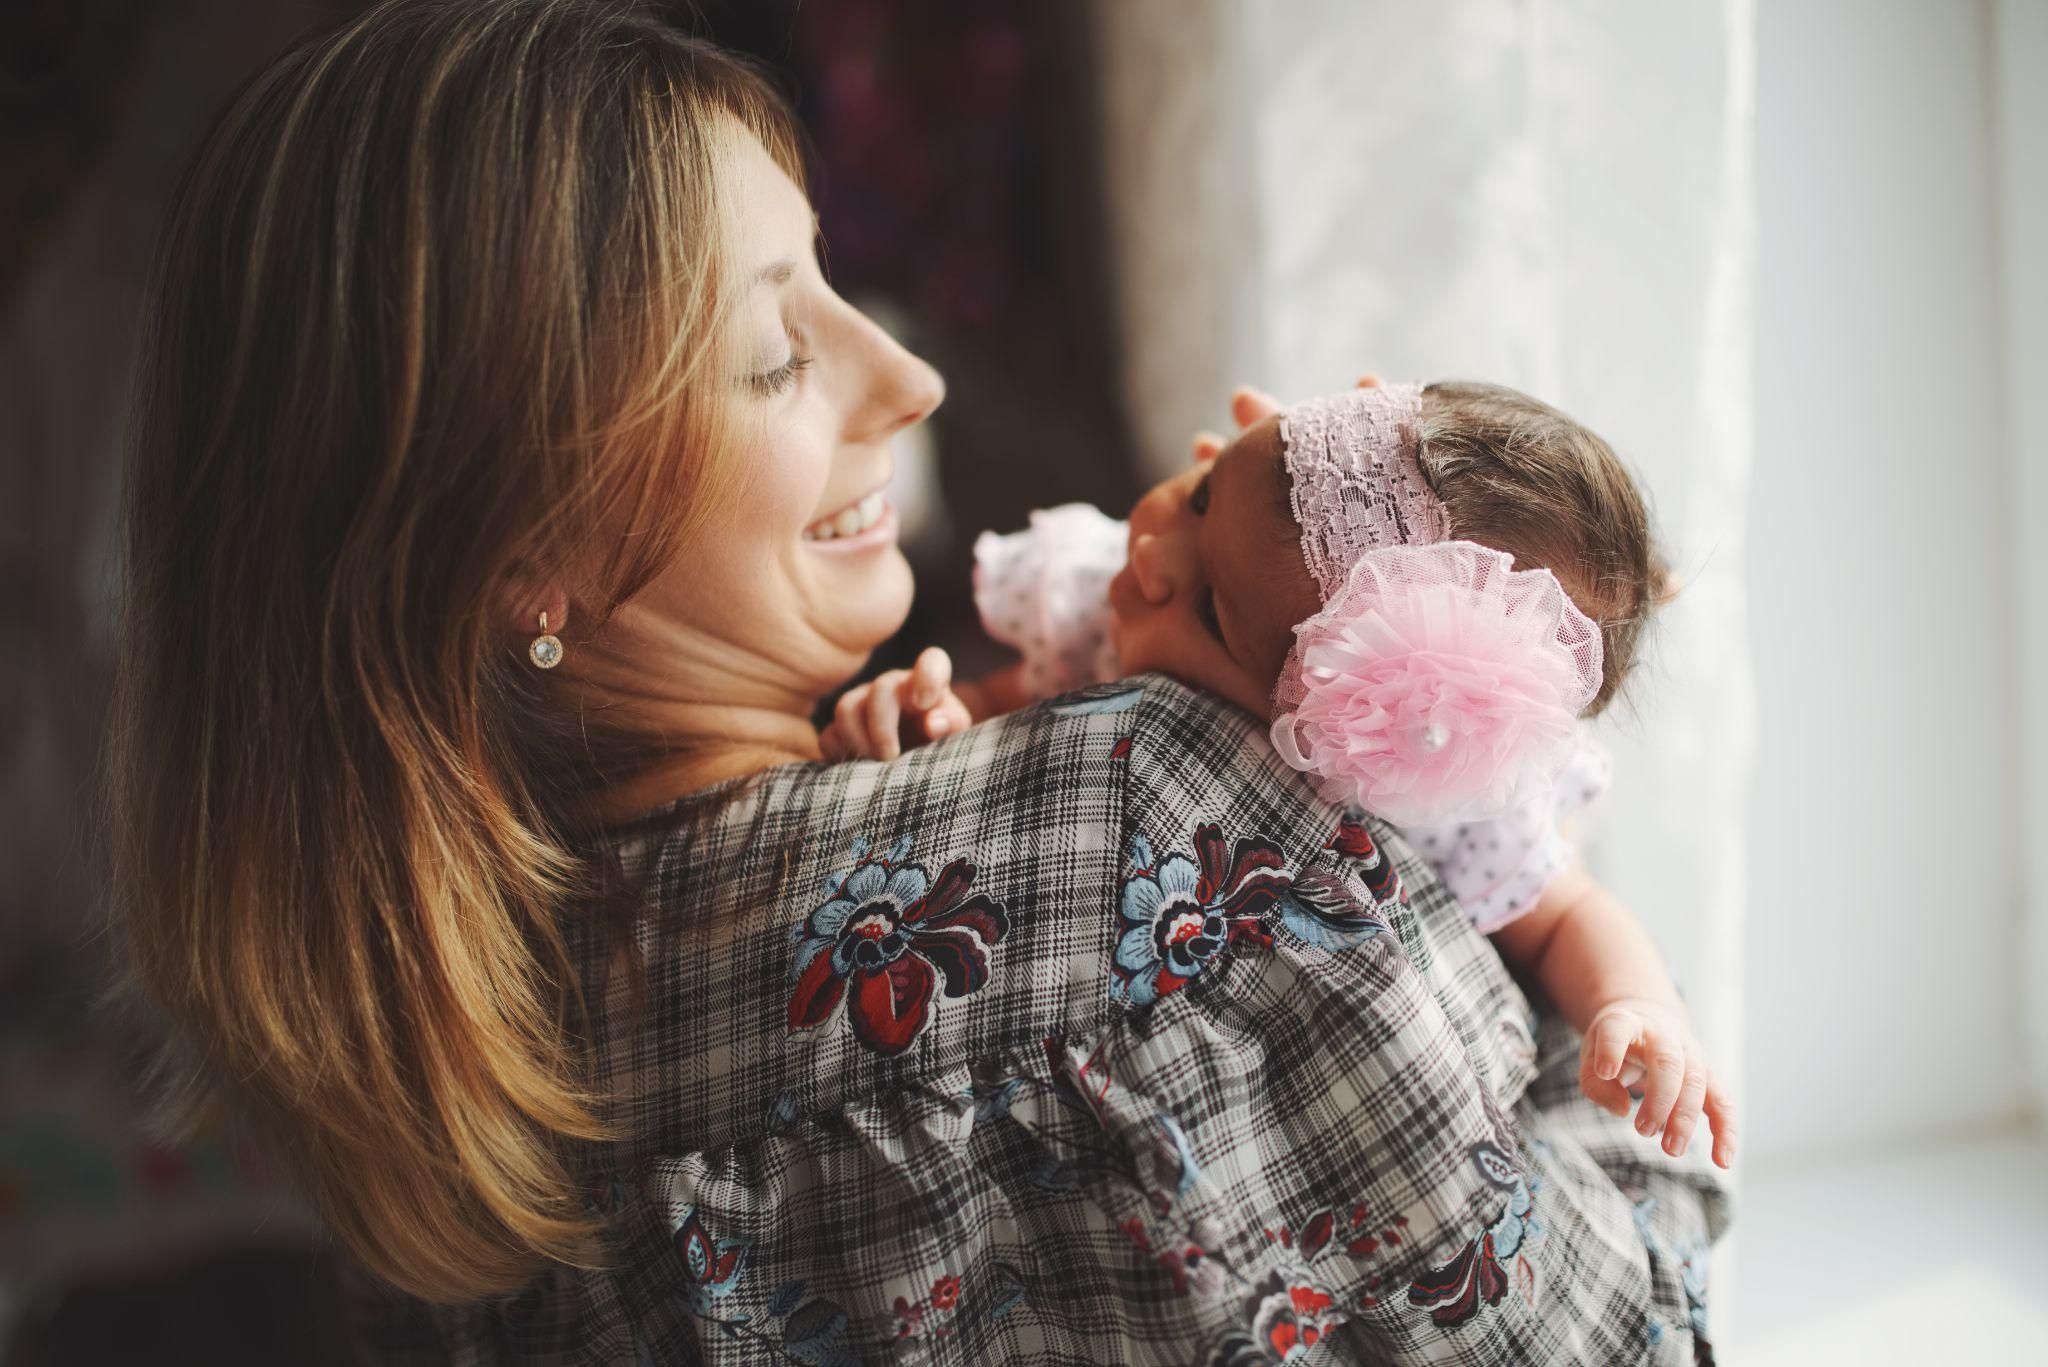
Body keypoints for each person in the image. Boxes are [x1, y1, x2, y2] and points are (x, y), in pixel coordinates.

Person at [104, 1, 1730, 1361]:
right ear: (519, 544)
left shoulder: (432, 1087)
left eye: (830, 284)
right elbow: (1617, 1333)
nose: (910, 374)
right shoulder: (1159, 820)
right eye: (774, 351)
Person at [830, 382, 1737, 1173]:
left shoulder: (1440, 818)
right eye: (1201, 492)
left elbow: (1567, 916)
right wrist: (942, 721)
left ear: (1358, 734)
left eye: (1210, 612)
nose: (1147, 558)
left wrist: (1635, 1006)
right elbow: (1017, 693)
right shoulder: (1122, 582)